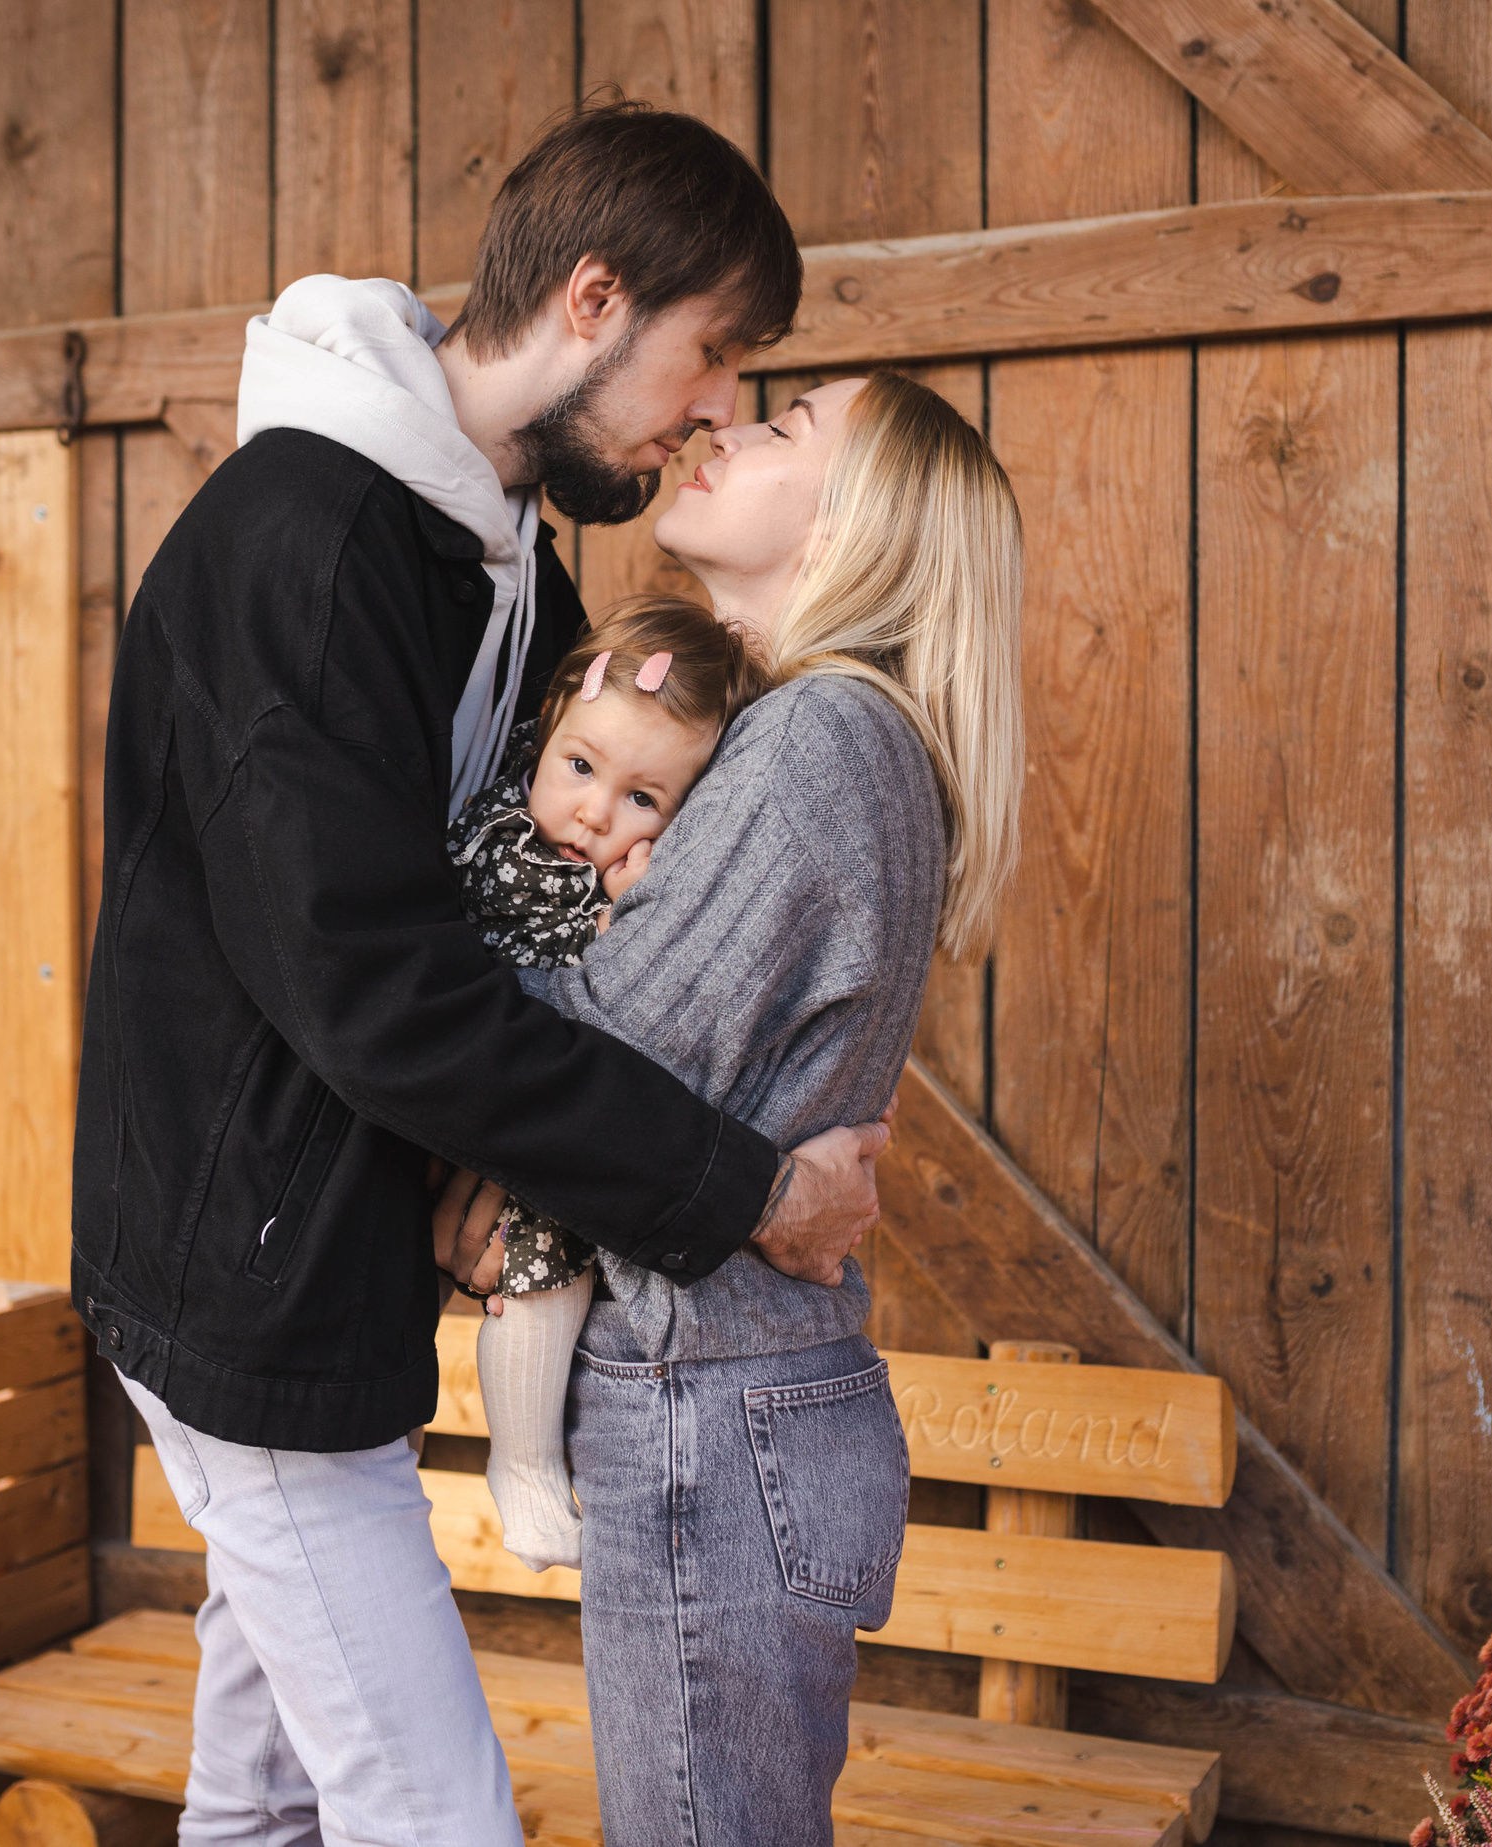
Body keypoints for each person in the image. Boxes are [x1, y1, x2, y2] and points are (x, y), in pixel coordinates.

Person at [76, 104, 893, 1847]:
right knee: (434, 1810)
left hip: (318, 1271)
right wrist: (741, 1188)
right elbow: (375, 989)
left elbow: (462, 918)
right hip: (248, 1295)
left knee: (267, 1788)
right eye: (715, 353)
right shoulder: (312, 547)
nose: (718, 408)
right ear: (594, 300)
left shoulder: (488, 548)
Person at [437, 372, 1026, 1846]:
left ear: (854, 524)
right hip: (738, 1393)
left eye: (785, 429)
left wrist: (404, 959)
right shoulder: (793, 738)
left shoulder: (818, 739)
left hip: (711, 1398)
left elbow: (602, 1048)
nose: (727, 428)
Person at [444, 595, 772, 1569]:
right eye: (580, 766)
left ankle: (526, 1462)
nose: (593, 811)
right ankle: (496, 1458)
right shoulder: (485, 819)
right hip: (450, 1081)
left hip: (534, 1121)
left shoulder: (637, 883)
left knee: (550, 1259)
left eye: (643, 799)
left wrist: (635, 919)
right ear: (549, 724)